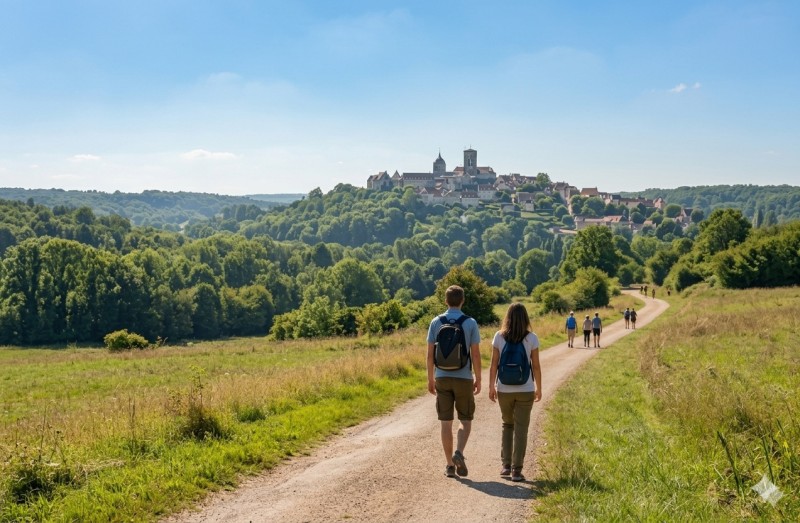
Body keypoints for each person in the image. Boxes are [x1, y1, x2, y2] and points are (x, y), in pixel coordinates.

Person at [426, 285, 481, 478]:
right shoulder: (470, 323)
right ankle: (459, 452)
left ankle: (449, 465)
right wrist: (479, 378)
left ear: (445, 301)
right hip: (464, 377)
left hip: (441, 376)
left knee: (445, 422)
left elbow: (430, 355)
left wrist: (430, 378)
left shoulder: (435, 322)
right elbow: (475, 354)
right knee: (465, 420)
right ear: (463, 300)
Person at [488, 303, 542, 482]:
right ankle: (516, 470)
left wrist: (491, 386)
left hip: (504, 388)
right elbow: (535, 366)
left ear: (507, 317)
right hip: (525, 389)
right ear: (525, 318)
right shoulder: (531, 338)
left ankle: (505, 466)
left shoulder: (499, 336)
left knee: (507, 424)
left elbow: (494, 364)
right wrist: (539, 388)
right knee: (521, 429)